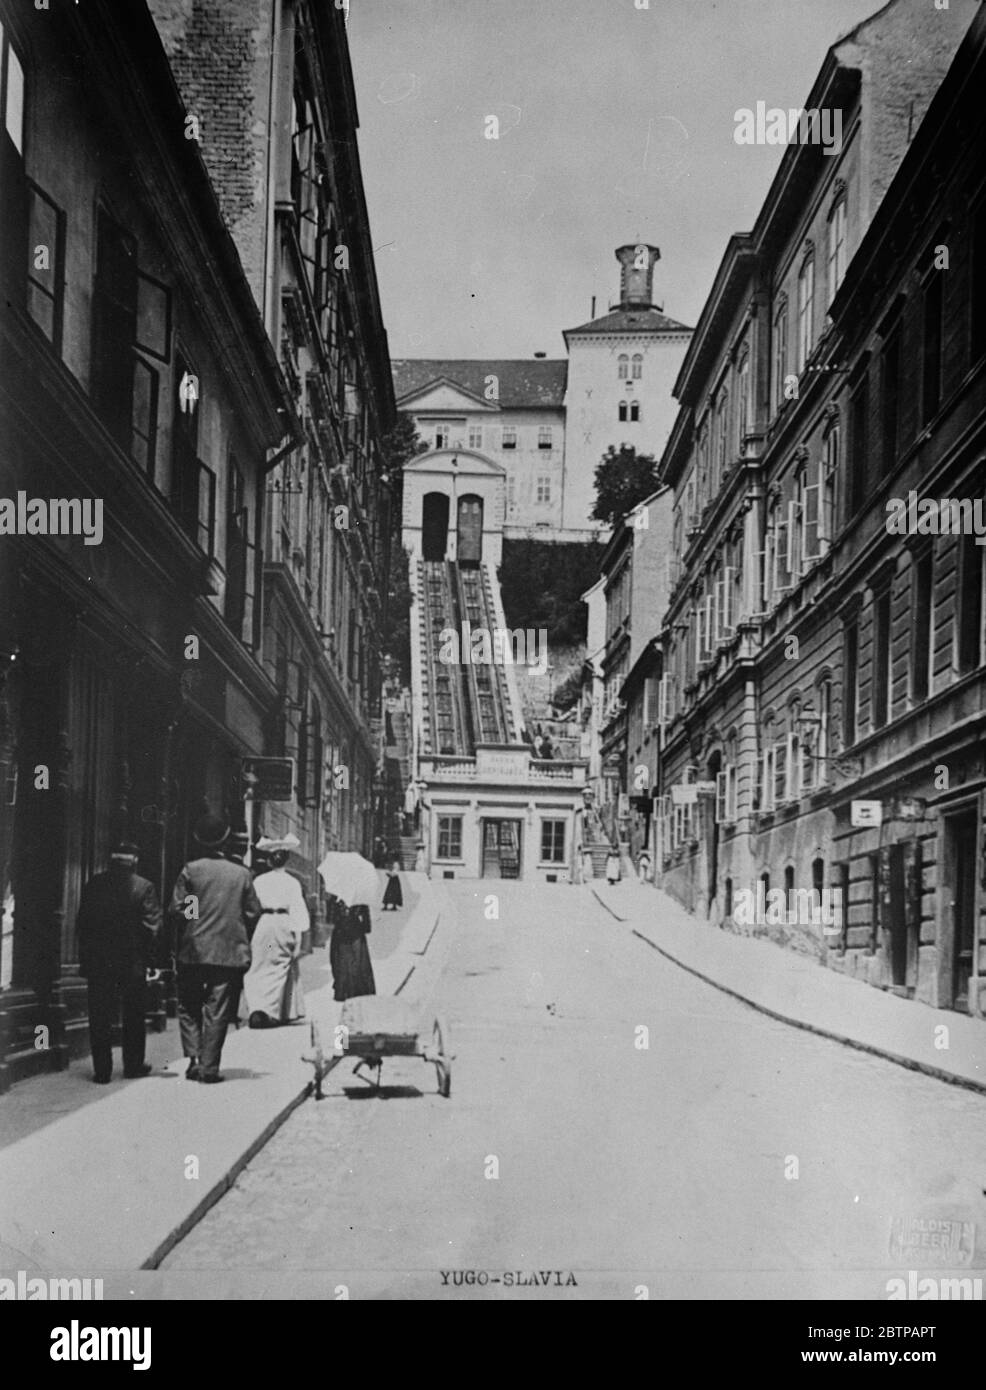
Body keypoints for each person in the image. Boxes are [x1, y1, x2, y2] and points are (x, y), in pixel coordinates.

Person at [168, 812, 262, 1083]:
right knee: (218, 1010)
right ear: (225, 839)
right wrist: (234, 928)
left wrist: (197, 916)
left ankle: (194, 1059)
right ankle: (209, 1068)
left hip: (194, 950)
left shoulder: (191, 870)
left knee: (188, 1005)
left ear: (199, 840)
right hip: (228, 952)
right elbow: (253, 913)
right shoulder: (241, 874)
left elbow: (178, 909)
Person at [76, 842, 162, 1084]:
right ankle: (133, 1065)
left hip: (99, 962)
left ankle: (102, 1070)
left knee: (99, 1015)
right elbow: (152, 928)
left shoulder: (94, 884)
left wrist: (86, 958)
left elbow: (83, 923)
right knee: (134, 1015)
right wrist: (151, 960)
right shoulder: (144, 887)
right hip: (131, 962)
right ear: (134, 861)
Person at [242, 844, 308, 1028]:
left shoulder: (259, 881)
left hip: (264, 924)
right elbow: (298, 910)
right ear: (286, 860)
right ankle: (273, 1011)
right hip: (283, 923)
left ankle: (258, 1008)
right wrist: (299, 939)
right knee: (279, 966)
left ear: (269, 860)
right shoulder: (292, 882)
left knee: (259, 966)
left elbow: (251, 906)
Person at [329, 900, 376, 1001]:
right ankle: (358, 990)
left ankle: (343, 991)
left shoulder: (337, 897)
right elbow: (366, 918)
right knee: (358, 961)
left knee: (341, 961)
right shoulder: (359, 897)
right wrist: (365, 928)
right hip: (356, 931)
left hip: (340, 932)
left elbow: (331, 917)